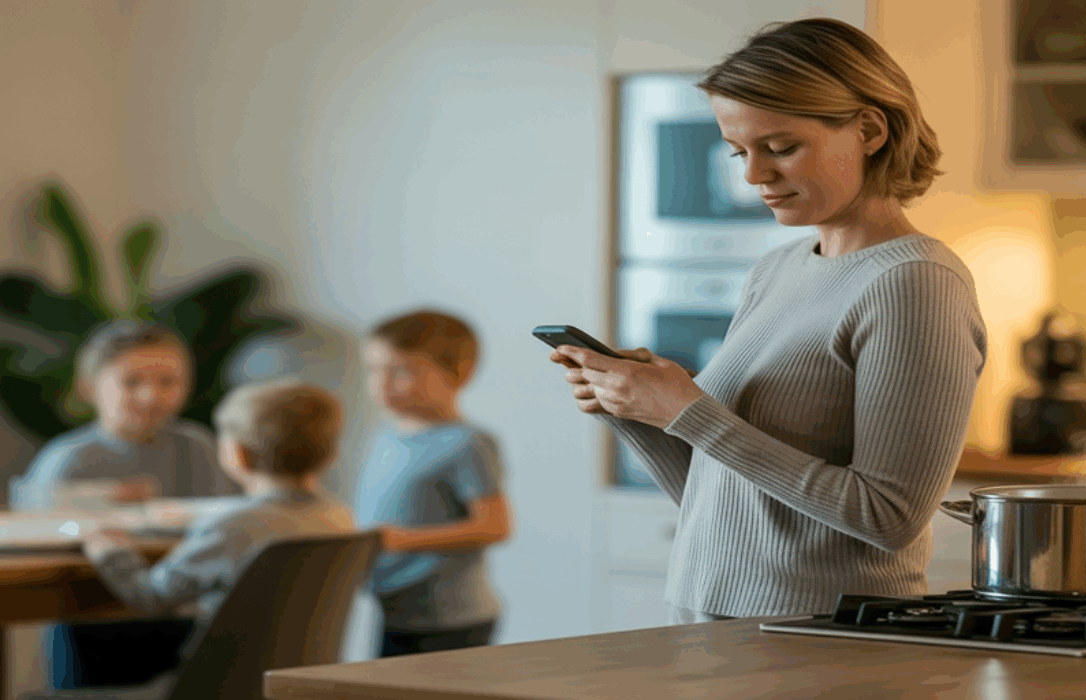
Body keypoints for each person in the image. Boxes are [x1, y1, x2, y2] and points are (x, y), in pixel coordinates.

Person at [549, 18, 988, 624]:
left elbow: (890, 517)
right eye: (739, 152)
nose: (754, 176)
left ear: (868, 129)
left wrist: (687, 410)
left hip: (823, 639)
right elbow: (727, 497)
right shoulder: (777, 269)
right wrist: (636, 411)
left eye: (781, 148)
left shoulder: (914, 282)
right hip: (708, 622)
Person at [9, 320, 238, 689]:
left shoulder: (198, 447)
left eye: (168, 382)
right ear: (89, 386)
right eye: (131, 382)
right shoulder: (67, 460)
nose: (151, 395)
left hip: (182, 616)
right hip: (89, 621)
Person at [82, 378, 353, 638]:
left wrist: (110, 551)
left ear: (237, 453)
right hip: (302, 674)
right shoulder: (340, 518)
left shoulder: (231, 527)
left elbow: (151, 597)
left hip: (225, 677)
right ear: (332, 454)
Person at [356, 309, 511, 657]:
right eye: (374, 370)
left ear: (459, 373)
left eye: (400, 371)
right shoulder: (385, 437)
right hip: (396, 611)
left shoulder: (468, 443)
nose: (381, 383)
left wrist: (402, 539)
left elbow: (495, 526)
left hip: (449, 620)